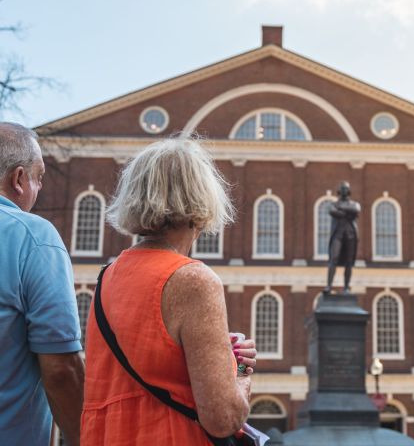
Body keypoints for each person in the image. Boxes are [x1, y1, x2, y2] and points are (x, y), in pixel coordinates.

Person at [81, 138, 257, 444]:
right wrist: (240, 370)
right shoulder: (193, 280)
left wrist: (216, 354)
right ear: (200, 203)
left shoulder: (106, 279)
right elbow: (223, 417)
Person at [0, 122, 85, 446]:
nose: (39, 188)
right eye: (39, 177)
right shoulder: (32, 236)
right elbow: (61, 368)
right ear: (19, 179)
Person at [325, 181, 360, 294]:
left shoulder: (354, 204)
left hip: (351, 235)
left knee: (349, 262)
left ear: (349, 191)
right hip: (338, 234)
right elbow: (332, 211)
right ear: (339, 191)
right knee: (333, 259)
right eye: (342, 189)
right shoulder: (333, 204)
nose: (344, 190)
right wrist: (348, 213)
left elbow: (356, 210)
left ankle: (346, 287)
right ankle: (329, 286)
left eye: (346, 188)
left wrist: (341, 211)